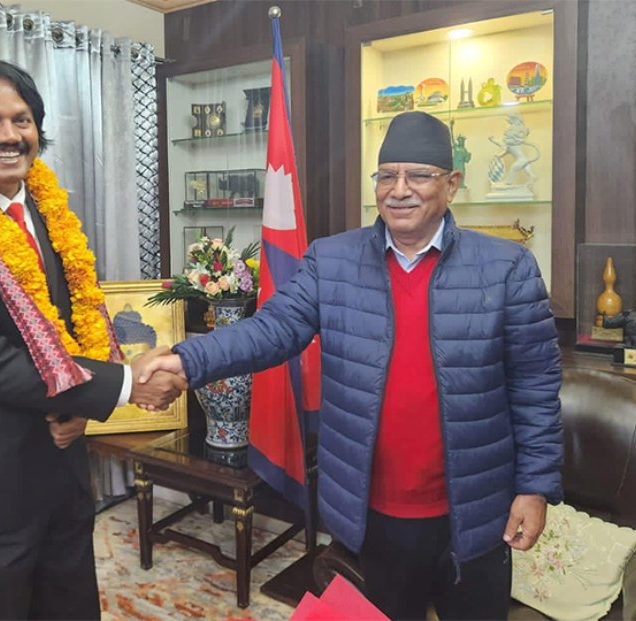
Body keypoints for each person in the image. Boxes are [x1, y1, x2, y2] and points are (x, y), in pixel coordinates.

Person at [139, 111, 563, 621]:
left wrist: (534, 488)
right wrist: (186, 360)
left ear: (452, 184)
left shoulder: (507, 268)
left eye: (419, 175)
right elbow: (272, 329)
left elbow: (535, 387)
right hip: (374, 512)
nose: (399, 190)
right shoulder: (332, 261)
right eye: (387, 176)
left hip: (475, 510)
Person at [0, 58, 186, 621]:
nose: (9, 135)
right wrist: (126, 385)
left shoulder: (45, 207)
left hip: (59, 463)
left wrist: (82, 408)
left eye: (21, 119)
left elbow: (69, 329)